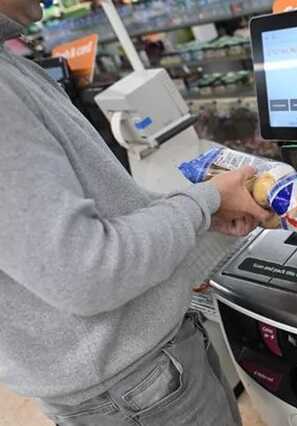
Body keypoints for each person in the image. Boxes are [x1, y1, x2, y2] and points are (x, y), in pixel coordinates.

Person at [0, 1, 272, 424]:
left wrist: (203, 215)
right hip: (136, 392)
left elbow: (85, 223)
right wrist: (205, 202)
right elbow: (85, 272)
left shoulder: (11, 67)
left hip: (137, 379)